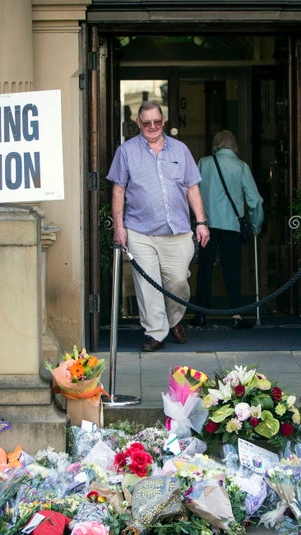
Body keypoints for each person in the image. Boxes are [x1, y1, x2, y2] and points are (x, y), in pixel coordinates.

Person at [106, 101, 210, 352]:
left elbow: (192, 187)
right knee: (147, 284)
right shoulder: (127, 151)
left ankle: (174, 320)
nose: (152, 126)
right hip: (140, 231)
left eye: (157, 121)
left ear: (163, 121)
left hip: (177, 231)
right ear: (138, 124)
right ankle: (156, 332)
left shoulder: (180, 150)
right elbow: (118, 190)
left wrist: (201, 222)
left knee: (178, 282)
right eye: (146, 122)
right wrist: (119, 228)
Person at [190, 130, 264, 329]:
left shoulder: (204, 163)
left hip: (206, 225)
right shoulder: (241, 167)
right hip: (232, 226)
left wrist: (196, 219)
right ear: (234, 146)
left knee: (204, 269)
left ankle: (201, 314)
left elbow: (191, 191)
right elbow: (255, 201)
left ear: (216, 145)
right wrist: (256, 226)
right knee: (232, 270)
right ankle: (236, 315)